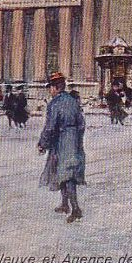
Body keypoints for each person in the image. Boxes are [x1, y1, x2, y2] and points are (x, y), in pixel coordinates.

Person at [38, 72, 87, 224]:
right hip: (74, 140)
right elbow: (81, 123)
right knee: (65, 172)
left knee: (67, 175)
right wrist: (77, 139)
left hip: (61, 141)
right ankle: (65, 204)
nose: (50, 91)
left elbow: (50, 127)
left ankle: (76, 209)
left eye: (51, 88)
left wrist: (43, 143)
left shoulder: (54, 104)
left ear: (56, 88)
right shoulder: (73, 100)